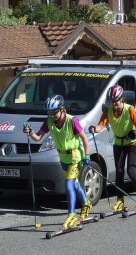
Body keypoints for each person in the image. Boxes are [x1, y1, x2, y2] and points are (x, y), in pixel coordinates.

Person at [23, 94, 92, 229]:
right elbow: (37, 138)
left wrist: (87, 156)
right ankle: (86, 203)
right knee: (75, 183)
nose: (52, 115)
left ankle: (71, 215)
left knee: (68, 184)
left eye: (54, 112)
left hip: (74, 157)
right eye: (49, 112)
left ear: (62, 109)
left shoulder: (72, 121)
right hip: (63, 158)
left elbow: (84, 138)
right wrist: (29, 132)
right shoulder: (49, 121)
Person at [88, 84, 136, 211]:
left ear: (122, 99)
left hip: (131, 144)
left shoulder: (129, 109)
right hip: (118, 144)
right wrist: (94, 129)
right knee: (119, 173)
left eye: (116, 101)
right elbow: (100, 126)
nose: (114, 104)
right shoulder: (108, 111)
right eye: (111, 101)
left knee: (131, 171)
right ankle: (120, 200)